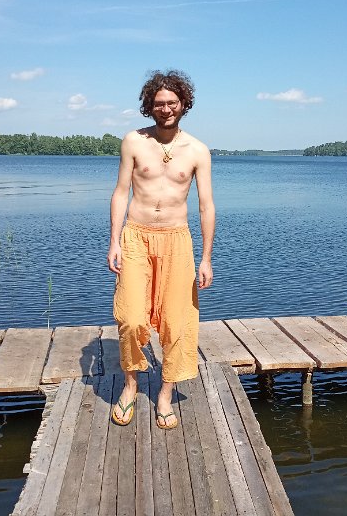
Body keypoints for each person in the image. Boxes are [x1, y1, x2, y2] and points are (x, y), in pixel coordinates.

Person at [107, 69, 215, 430]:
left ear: (184, 104)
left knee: (177, 320)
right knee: (131, 317)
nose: (165, 109)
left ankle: (166, 394)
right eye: (158, 103)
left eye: (172, 102)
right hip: (135, 237)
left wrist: (206, 258)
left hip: (176, 240)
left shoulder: (197, 150)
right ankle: (131, 385)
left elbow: (206, 206)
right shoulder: (133, 141)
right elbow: (121, 192)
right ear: (149, 106)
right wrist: (114, 241)